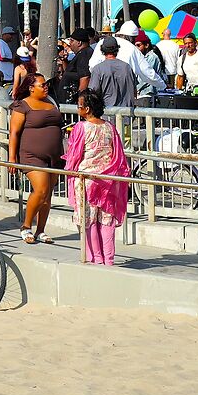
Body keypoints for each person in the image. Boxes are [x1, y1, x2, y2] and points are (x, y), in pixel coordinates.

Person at [62, 91, 130, 266]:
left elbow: (74, 155)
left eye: (79, 106)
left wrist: (69, 169)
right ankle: (109, 259)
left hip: (86, 180)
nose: (78, 109)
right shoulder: (110, 127)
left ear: (87, 109)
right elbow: (118, 155)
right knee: (106, 220)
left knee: (88, 221)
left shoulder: (81, 128)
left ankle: (95, 257)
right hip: (108, 180)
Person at [5, 70, 65, 243]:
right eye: (42, 85)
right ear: (31, 88)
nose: (46, 87)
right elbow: (14, 133)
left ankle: (41, 230)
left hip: (54, 155)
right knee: (41, 189)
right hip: (31, 155)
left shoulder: (51, 101)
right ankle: (25, 226)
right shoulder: (22, 105)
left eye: (46, 84)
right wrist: (12, 158)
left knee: (47, 195)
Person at [87, 36, 138, 110]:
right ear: (117, 49)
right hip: (126, 114)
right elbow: (134, 91)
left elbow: (93, 93)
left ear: (102, 50)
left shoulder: (98, 69)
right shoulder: (127, 67)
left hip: (107, 115)